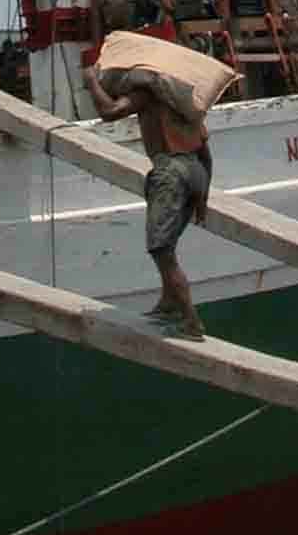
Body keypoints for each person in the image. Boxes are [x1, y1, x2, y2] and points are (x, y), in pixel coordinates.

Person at [83, 60, 212, 339]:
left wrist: (92, 81)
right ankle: (168, 303)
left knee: (161, 250)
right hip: (196, 171)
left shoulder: (148, 93)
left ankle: (191, 321)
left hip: (170, 173)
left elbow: (109, 112)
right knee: (169, 242)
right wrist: (202, 201)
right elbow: (206, 153)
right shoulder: (184, 101)